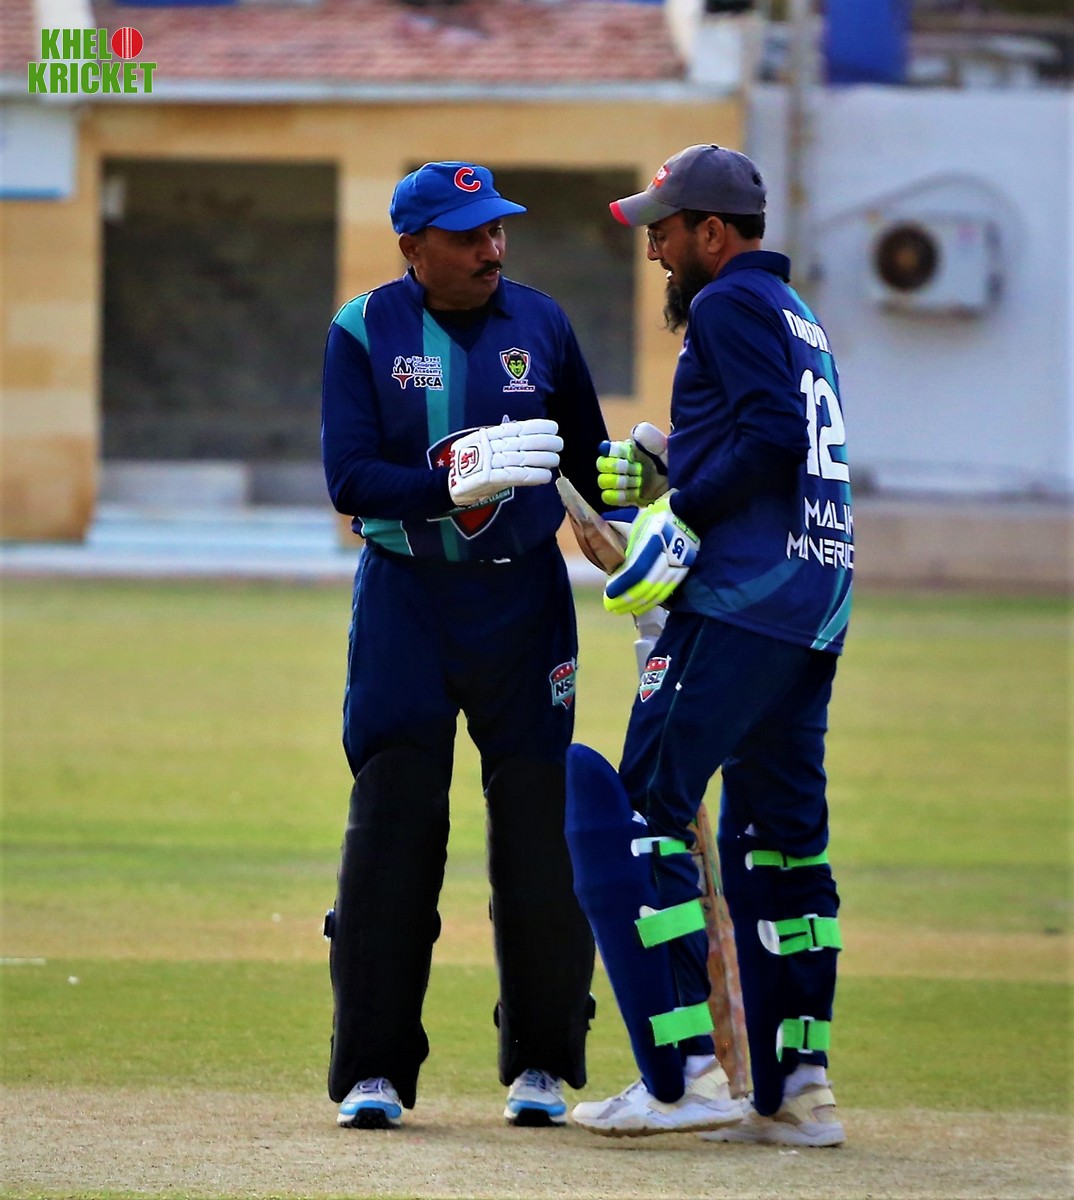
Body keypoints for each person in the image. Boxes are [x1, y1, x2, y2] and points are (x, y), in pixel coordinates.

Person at [568, 144, 852, 1145]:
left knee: (646, 811)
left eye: (666, 230)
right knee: (783, 841)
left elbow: (771, 437)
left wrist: (680, 513)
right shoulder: (795, 312)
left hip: (740, 604)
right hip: (813, 604)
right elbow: (775, 442)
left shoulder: (726, 305)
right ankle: (798, 1091)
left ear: (713, 233)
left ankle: (683, 1075)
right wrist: (668, 467)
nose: (655, 250)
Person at [320, 160, 607, 1131]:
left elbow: (588, 465)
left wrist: (640, 490)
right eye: (467, 234)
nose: (492, 249)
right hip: (407, 600)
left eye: (497, 229)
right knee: (394, 823)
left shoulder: (543, 323)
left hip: (524, 603)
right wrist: (450, 486)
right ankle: (374, 1070)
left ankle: (543, 1063)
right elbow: (351, 478)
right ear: (413, 247)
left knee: (539, 828)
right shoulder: (363, 330)